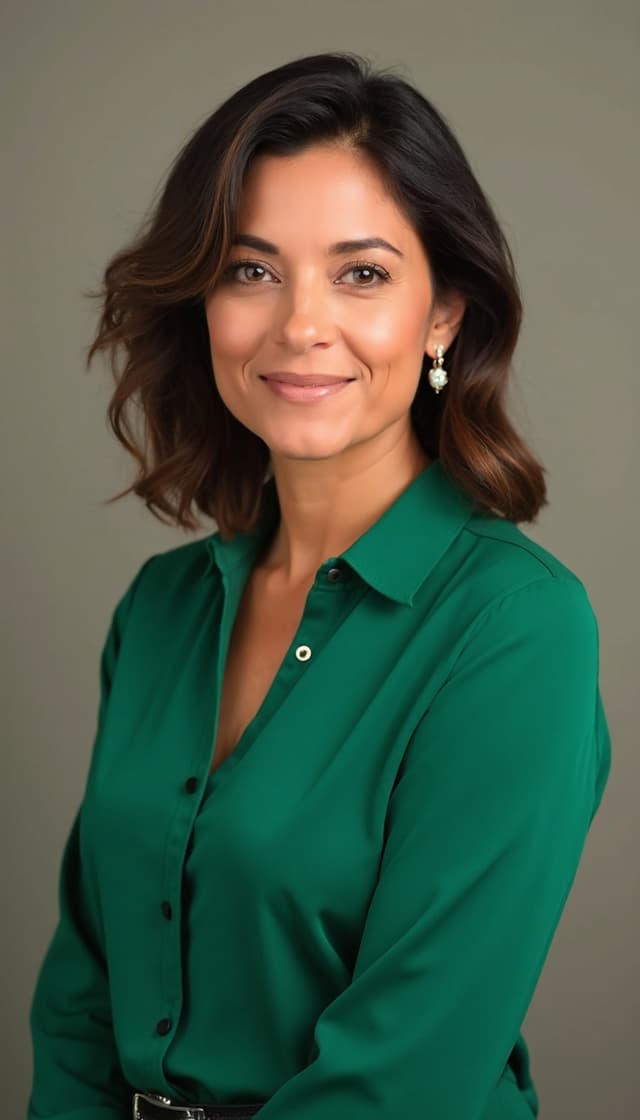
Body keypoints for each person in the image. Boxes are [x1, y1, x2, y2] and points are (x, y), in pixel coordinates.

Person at [27, 51, 612, 1120]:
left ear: (442, 315)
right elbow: (81, 992)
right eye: (251, 270)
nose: (300, 324)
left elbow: (405, 1071)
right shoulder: (160, 609)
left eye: (362, 273)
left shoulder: (515, 628)